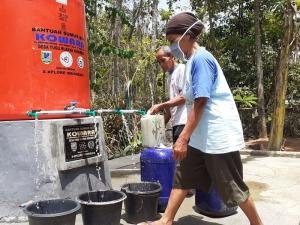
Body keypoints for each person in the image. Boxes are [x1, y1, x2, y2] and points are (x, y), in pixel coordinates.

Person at [142, 12, 264, 225]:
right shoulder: (190, 61)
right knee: (184, 175)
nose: (171, 47)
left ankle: (257, 224)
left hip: (217, 136)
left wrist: (182, 138)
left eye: (173, 41)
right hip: (200, 136)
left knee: (231, 186)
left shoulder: (202, 59)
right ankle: (166, 220)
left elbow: (201, 101)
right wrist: (188, 137)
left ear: (187, 36)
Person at [149, 46, 187, 144]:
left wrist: (161, 106)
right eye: (159, 62)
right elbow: (170, 112)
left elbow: (184, 97)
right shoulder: (169, 77)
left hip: (184, 122)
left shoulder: (182, 69)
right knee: (179, 158)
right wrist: (157, 128)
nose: (161, 64)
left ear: (172, 57)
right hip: (176, 124)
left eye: (163, 60)